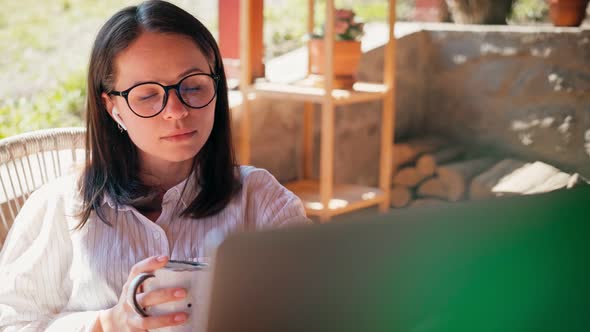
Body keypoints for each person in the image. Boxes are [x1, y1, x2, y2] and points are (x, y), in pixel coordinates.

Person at [0, 1, 307, 331]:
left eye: (193, 86)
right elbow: (12, 321)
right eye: (147, 95)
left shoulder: (260, 200)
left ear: (216, 87)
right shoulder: (61, 207)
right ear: (113, 108)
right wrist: (107, 323)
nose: (176, 110)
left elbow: (320, 305)